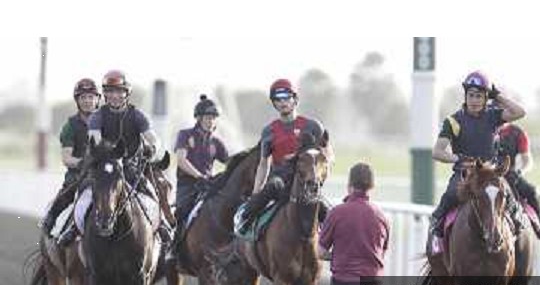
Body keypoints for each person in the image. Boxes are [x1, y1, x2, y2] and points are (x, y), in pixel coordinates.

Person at [58, 70, 167, 247]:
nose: (114, 96)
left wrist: (153, 149)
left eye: (119, 91)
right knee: (84, 194)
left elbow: (154, 138)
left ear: (126, 93)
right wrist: (106, 158)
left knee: (153, 192)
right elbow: (96, 140)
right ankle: (73, 228)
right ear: (105, 95)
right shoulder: (97, 116)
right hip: (106, 168)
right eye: (110, 92)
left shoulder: (138, 116)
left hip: (131, 168)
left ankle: (163, 226)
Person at [429, 71, 526, 240]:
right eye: (471, 95)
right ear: (465, 96)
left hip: (490, 175)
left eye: (479, 96)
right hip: (465, 175)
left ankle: (517, 235)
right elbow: (437, 152)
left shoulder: (494, 115)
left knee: (510, 199)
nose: (474, 100)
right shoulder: (452, 121)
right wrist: (458, 158)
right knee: (450, 195)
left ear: (485, 98)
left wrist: (499, 97)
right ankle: (435, 232)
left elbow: (520, 112)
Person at [239, 78, 333, 228]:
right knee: (264, 194)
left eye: (286, 98)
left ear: (295, 99)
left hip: (306, 184)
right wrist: (256, 193)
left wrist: (319, 178)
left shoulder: (313, 126)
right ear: (274, 103)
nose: (282, 103)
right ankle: (242, 229)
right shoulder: (269, 131)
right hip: (280, 183)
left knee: (330, 217)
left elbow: (327, 157)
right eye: (278, 99)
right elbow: (263, 165)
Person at [41, 78, 100, 236]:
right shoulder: (70, 126)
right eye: (83, 97)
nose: (87, 101)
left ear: (97, 99)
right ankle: (52, 222)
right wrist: (83, 163)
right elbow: (66, 158)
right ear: (77, 101)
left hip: (103, 174)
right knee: (65, 196)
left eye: (90, 97)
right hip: (78, 175)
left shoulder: (107, 122)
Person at [171, 95, 229, 253]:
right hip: (188, 186)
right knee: (181, 212)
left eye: (213, 118)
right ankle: (172, 249)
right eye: (208, 118)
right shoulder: (185, 135)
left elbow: (231, 164)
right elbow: (181, 160)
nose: (211, 121)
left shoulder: (217, 143)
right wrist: (199, 176)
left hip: (207, 187)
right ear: (198, 118)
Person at [495, 123, 540, 239]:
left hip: (509, 175)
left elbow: (527, 160)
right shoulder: (483, 128)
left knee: (531, 191)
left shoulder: (518, 132)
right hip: (487, 174)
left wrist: (519, 172)